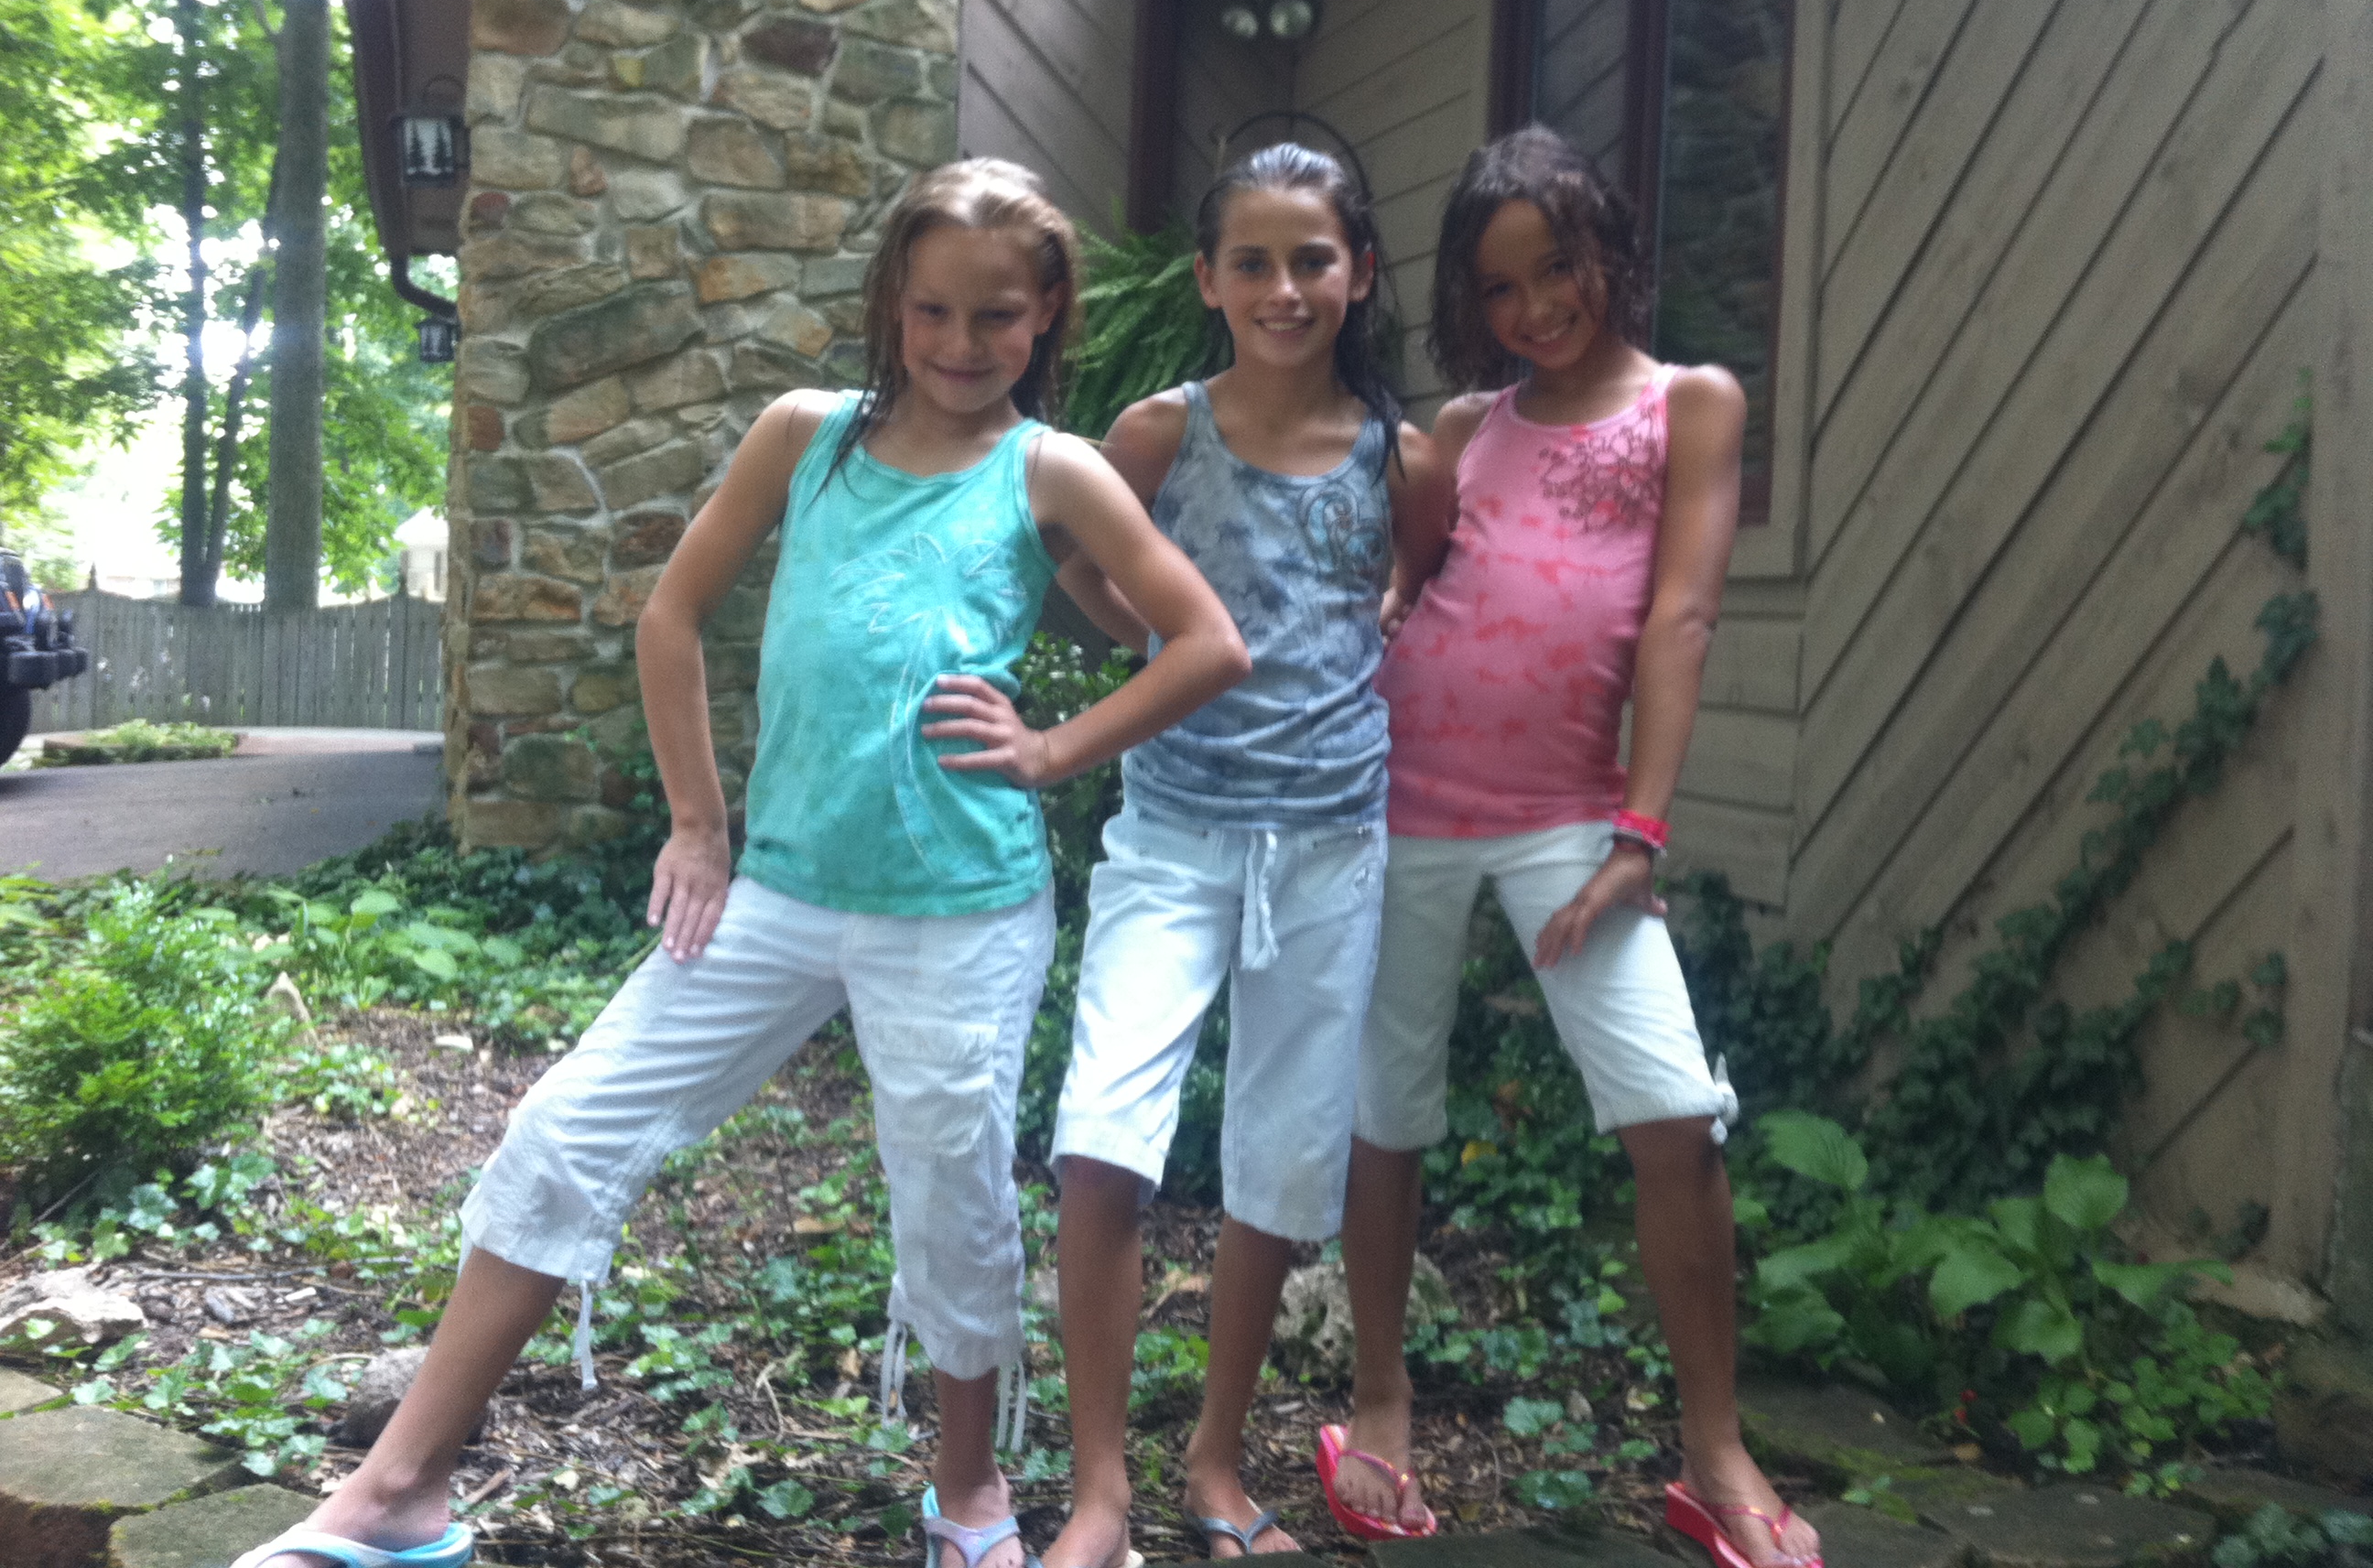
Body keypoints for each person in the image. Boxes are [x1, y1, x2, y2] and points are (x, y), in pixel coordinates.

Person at [230, 159, 1251, 1568]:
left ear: (1046, 313)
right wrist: (699, 824)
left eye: (997, 316)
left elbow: (1207, 641)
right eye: (934, 310)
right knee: (569, 1127)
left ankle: (969, 1500)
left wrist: (1053, 750)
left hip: (961, 912)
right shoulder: (804, 438)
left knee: (952, 1205)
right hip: (779, 893)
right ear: (891, 301)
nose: (961, 342)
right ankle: (402, 1487)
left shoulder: (1050, 470)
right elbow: (673, 616)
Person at [1328, 125, 1821, 1568]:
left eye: (1558, 267)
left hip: (1569, 819)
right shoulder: (1466, 427)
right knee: (1386, 1112)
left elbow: (1681, 618)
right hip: (1400, 801)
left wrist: (1638, 836)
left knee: (1672, 1113)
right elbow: (1406, 585)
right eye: (1500, 286)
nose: (1536, 305)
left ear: (1610, 247)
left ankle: (1714, 1452)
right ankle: (1378, 1404)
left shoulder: (1691, 404)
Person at [1038, 143, 1446, 1567]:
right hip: (1174, 836)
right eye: (1254, 262)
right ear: (1209, 279)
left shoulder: (1401, 455)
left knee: (1279, 1165)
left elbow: (1415, 569)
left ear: (1361, 273)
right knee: (1102, 1139)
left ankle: (1215, 1464)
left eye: (1313, 259)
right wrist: (1145, 638)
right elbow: (1074, 554)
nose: (1285, 288)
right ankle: (1101, 1495)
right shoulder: (1161, 434)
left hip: (1332, 848)